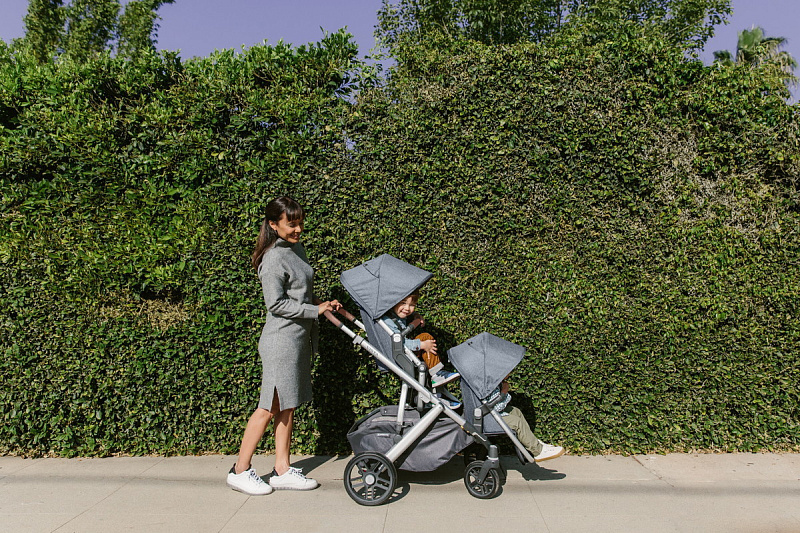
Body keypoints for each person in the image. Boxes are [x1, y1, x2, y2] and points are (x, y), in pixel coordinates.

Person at [227, 196, 341, 496]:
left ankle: (281, 469)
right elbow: (276, 304)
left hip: (297, 340)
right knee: (269, 406)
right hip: (281, 341)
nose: (298, 229)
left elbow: (301, 292)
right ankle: (239, 470)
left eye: (300, 223)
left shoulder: (296, 249)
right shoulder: (273, 258)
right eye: (292, 224)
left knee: (287, 406)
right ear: (273, 224)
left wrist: (322, 304)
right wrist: (313, 310)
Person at [380, 290, 461, 404]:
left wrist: (416, 316)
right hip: (398, 354)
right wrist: (422, 345)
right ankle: (437, 374)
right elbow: (398, 343)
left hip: (404, 352)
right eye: (403, 303)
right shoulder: (387, 320)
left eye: (412, 305)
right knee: (425, 337)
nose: (407, 308)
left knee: (424, 341)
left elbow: (409, 315)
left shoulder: (397, 315)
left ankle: (437, 387)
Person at [484, 376, 564, 462]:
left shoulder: (493, 381)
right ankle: (538, 451)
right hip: (488, 418)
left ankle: (532, 443)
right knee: (516, 422)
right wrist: (504, 392)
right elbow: (495, 408)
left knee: (515, 411)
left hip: (489, 414)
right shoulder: (490, 385)